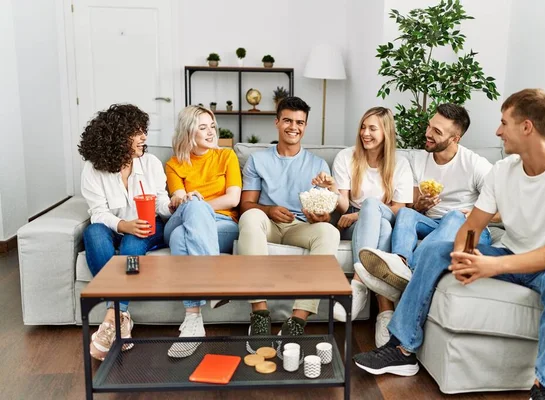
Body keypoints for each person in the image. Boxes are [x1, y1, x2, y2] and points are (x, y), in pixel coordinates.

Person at [353, 89, 545, 400]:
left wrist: (493, 265)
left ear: (526, 127)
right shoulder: (502, 171)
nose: (497, 131)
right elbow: (470, 226)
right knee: (435, 249)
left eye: (503, 122)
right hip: (510, 255)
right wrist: (463, 253)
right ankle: (402, 348)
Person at [356, 103, 494, 346]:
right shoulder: (418, 159)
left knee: (453, 217)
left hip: (469, 229)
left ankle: (408, 273)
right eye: (430, 126)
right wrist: (421, 205)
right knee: (407, 215)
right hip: (431, 223)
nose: (428, 134)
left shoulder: (475, 165)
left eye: (437, 132)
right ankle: (399, 263)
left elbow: (505, 208)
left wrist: (474, 214)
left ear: (455, 138)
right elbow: (412, 207)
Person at [237, 96, 340, 346]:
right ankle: (259, 314)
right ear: (277, 122)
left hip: (301, 226)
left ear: (305, 126)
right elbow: (245, 205)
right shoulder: (258, 160)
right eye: (287, 121)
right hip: (268, 224)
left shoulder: (317, 164)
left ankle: (297, 320)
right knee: (251, 216)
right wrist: (268, 209)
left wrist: (322, 216)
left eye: (300, 122)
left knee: (329, 232)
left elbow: (325, 212)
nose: (293, 127)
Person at [79, 104, 171, 361]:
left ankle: (112, 316)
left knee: (132, 242)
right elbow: (98, 212)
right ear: (117, 136)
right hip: (114, 227)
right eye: (137, 132)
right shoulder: (93, 169)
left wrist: (172, 205)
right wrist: (123, 225)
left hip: (148, 227)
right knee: (94, 232)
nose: (144, 137)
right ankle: (121, 317)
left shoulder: (150, 163)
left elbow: (161, 203)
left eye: (144, 131)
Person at [313, 107, 412, 341]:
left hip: (382, 215)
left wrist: (363, 212)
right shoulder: (346, 157)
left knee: (372, 208)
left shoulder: (400, 164)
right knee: (383, 229)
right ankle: (386, 313)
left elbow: (400, 208)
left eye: (372, 128)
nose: (364, 133)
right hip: (355, 222)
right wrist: (331, 189)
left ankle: (357, 284)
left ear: (386, 132)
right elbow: (344, 205)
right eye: (363, 127)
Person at [163, 105, 242, 358]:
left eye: (212, 126)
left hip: (222, 223)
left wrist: (199, 206)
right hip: (182, 217)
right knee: (190, 210)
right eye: (203, 127)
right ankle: (214, 285)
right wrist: (188, 202)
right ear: (188, 132)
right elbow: (177, 197)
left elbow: (233, 199)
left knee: (179, 238)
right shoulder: (174, 164)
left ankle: (193, 320)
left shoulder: (226, 156)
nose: (211, 132)